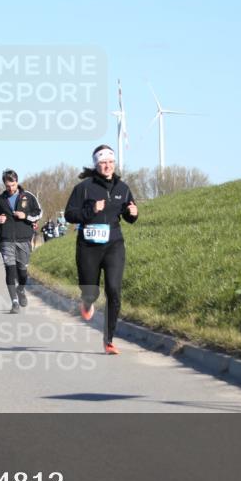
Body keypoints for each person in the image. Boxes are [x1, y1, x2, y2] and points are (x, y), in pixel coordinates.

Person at [64, 145, 139, 355]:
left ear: (114, 164)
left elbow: (129, 216)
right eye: (103, 163)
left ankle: (109, 340)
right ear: (96, 165)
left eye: (110, 162)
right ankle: (87, 302)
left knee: (114, 291)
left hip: (114, 244)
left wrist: (133, 213)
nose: (107, 166)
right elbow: (69, 215)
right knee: (91, 291)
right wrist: (91, 209)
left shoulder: (122, 188)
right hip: (88, 246)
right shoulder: (84, 188)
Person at [0, 169, 42, 313]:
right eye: (7, 186)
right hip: (6, 240)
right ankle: (14, 302)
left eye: (12, 185)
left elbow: (38, 213)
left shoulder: (28, 196)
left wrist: (24, 215)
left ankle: (20, 289)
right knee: (10, 270)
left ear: (17, 182)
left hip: (24, 239)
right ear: (4, 184)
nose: (10, 188)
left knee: (23, 272)